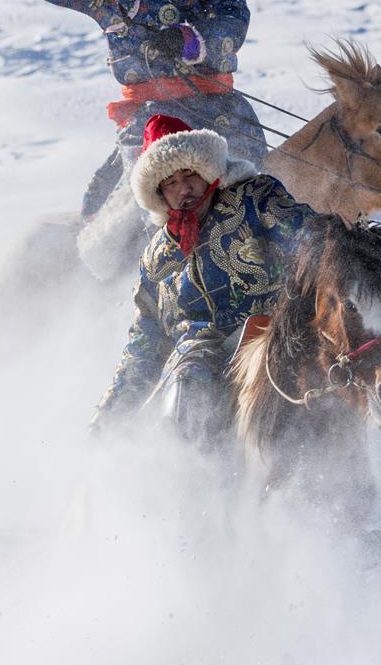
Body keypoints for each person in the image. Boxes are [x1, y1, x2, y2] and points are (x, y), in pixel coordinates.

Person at [29, 0, 266, 222]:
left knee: (257, 189)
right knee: (141, 212)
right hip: (147, 119)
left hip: (219, 110)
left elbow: (233, 20)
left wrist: (189, 40)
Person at [91, 115, 313, 446]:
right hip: (200, 362)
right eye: (170, 182)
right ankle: (189, 481)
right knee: (186, 382)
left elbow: (310, 237)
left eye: (190, 174)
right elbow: (145, 344)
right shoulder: (156, 259)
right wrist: (108, 418)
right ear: (158, 192)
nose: (184, 189)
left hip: (276, 329)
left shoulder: (255, 198)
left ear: (207, 169)